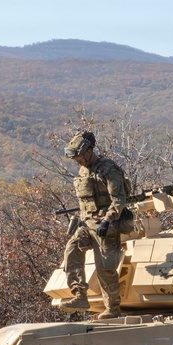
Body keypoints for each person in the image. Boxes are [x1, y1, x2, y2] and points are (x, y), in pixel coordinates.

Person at [59, 131, 129, 319]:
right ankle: (80, 295)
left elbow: (119, 200)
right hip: (87, 222)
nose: (77, 161)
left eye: (80, 156)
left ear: (89, 151)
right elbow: (86, 202)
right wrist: (79, 220)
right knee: (71, 251)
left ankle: (112, 308)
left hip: (107, 224)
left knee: (105, 268)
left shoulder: (109, 169)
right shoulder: (83, 171)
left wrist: (107, 220)